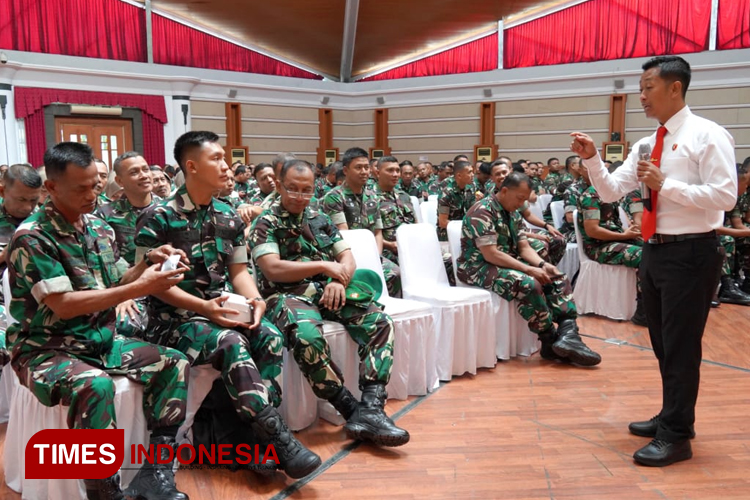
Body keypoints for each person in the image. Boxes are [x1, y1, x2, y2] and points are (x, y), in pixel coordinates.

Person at [571, 55, 737, 467]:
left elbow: (725, 197)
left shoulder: (708, 135)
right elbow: (610, 192)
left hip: (692, 252)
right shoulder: (648, 143)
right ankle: (672, 415)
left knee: (681, 348)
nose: (641, 95)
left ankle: (677, 436)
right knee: (663, 345)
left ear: (675, 88)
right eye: (640, 88)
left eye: (648, 87)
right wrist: (593, 159)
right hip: (656, 251)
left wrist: (669, 185)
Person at [7, 142, 191, 500]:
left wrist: (148, 260)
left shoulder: (97, 226)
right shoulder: (32, 237)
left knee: (175, 362)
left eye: (96, 184)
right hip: (46, 349)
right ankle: (104, 491)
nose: (93, 194)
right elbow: (64, 305)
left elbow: (119, 279)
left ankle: (157, 472)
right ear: (52, 188)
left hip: (98, 340)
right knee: (97, 386)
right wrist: (140, 286)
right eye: (82, 188)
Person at [135, 131, 321, 479]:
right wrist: (204, 309)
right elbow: (154, 287)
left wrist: (254, 300)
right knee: (231, 342)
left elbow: (238, 271)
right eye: (216, 159)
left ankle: (250, 441)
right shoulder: (158, 216)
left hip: (220, 310)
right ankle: (277, 440)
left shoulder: (228, 215)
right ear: (191, 166)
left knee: (269, 335)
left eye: (224, 158)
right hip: (172, 320)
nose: (226, 166)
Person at [249, 158, 410, 447]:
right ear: (280, 184)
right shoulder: (266, 222)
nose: (299, 197)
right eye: (292, 189)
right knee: (307, 337)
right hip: (285, 295)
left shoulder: (318, 217)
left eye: (306, 190)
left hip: (327, 290)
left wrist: (338, 280)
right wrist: (324, 267)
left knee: (379, 321)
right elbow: (272, 268)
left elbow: (347, 257)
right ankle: (350, 407)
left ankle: (372, 407)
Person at [457, 172, 601, 367]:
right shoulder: (482, 211)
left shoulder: (513, 212)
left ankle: (569, 334)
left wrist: (543, 265)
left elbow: (524, 247)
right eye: (520, 198)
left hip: (504, 260)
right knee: (529, 283)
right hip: (478, 266)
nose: (522, 203)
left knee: (557, 277)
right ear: (505, 190)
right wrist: (529, 270)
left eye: (525, 199)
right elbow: (491, 254)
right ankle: (549, 339)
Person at [322, 148, 401, 297]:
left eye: (366, 167)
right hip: (344, 256)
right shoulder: (334, 197)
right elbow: (343, 233)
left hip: (370, 252)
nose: (364, 171)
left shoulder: (372, 196)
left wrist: (376, 257)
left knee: (395, 274)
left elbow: (378, 232)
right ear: (345, 170)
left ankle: (390, 309)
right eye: (358, 168)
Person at [576, 161, 645, 324]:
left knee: (654, 249)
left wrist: (633, 231)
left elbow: (633, 217)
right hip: (598, 247)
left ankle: (655, 302)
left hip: (616, 240)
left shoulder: (612, 194)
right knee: (643, 255)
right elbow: (592, 231)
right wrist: (624, 236)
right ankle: (643, 310)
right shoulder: (591, 195)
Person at [0, 164, 42, 367]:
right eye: (21, 199)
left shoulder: (44, 220)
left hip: (41, 302)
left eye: (33, 200)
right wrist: (5, 254)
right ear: (2, 191)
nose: (27, 207)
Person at [715, 162, 750, 305]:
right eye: (745, 184)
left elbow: (738, 223)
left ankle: (745, 281)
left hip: (719, 231)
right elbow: (716, 228)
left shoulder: (733, 197)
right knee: (727, 240)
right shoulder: (718, 196)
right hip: (703, 233)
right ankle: (727, 286)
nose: (746, 188)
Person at [374, 156, 416, 265]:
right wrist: (389, 244)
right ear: (378, 173)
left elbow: (416, 224)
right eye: (390, 170)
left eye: (397, 170)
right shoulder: (370, 198)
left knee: (446, 260)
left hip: (411, 245)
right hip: (387, 250)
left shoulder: (404, 196)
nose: (395, 174)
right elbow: (369, 234)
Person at [436, 160, 475, 242]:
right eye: (469, 172)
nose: (472, 175)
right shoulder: (446, 193)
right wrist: (464, 228)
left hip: (466, 232)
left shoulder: (470, 189)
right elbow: (443, 222)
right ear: (459, 175)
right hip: (447, 235)